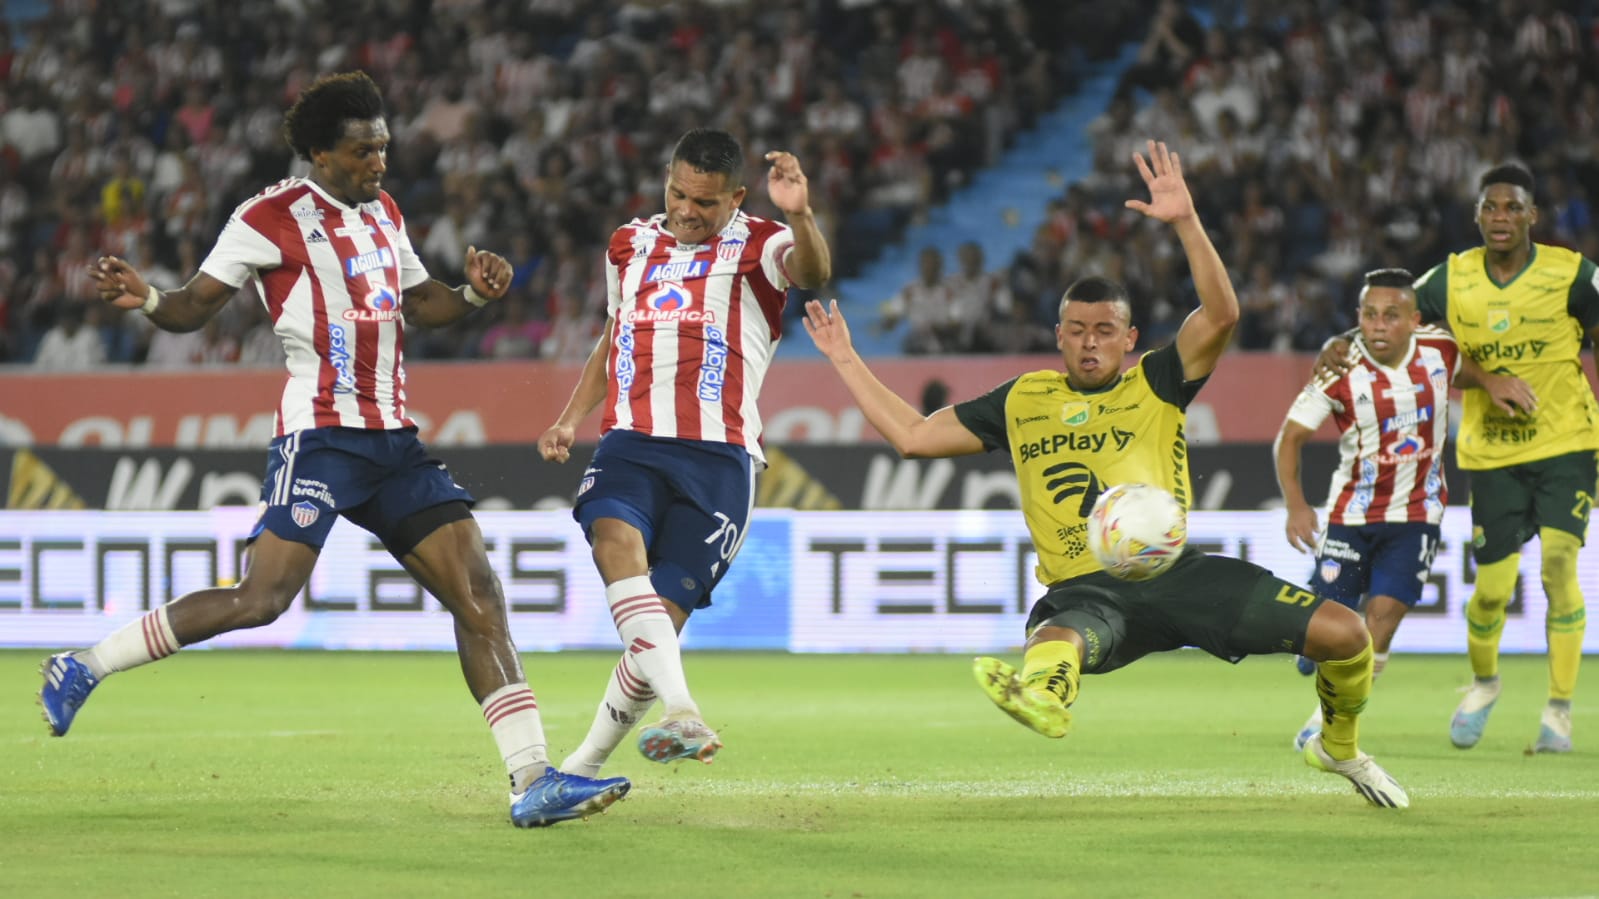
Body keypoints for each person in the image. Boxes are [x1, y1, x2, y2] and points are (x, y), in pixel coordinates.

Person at [38, 72, 630, 828]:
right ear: (319, 152)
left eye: (382, 146)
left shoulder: (384, 212)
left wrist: (476, 293)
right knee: (263, 599)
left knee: (478, 594)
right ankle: (83, 664)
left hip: (393, 442)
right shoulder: (267, 215)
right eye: (361, 151)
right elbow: (193, 305)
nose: (378, 162)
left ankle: (531, 779)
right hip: (318, 439)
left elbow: (425, 304)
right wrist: (148, 298)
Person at [804, 141, 1408, 809]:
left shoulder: (1158, 380)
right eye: (1076, 329)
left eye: (1104, 330)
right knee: (1057, 637)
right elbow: (914, 437)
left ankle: (1339, 744)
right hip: (1088, 589)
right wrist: (844, 357)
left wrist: (1183, 222)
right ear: (1057, 334)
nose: (1089, 341)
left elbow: (1222, 316)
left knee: (1345, 634)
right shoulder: (1020, 399)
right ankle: (1044, 694)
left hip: (1180, 575)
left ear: (1128, 337)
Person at [537, 128, 831, 775]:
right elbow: (613, 338)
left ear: (735, 197)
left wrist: (801, 214)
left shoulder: (760, 243)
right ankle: (682, 709)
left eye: (705, 201)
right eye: (678, 193)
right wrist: (568, 419)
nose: (687, 210)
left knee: (660, 620)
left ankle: (579, 768)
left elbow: (811, 271)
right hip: (631, 442)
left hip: (719, 460)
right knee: (613, 541)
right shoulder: (628, 244)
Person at [1316, 164, 1592, 753]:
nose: (1500, 217)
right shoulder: (1452, 278)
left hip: (1567, 441)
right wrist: (1338, 341)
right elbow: (1389, 318)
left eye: (1512, 207)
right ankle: (1486, 684)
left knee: (1558, 566)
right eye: (1490, 207)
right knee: (1492, 590)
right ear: (1477, 216)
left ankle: (1559, 711)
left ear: (1532, 216)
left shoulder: (1572, 276)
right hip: (1489, 452)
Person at [1274, 268, 1534, 750]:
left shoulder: (1439, 349)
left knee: (1380, 623)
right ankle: (1313, 649)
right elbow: (1290, 438)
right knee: (1323, 629)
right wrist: (1295, 505)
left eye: (1391, 316)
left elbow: (1465, 371)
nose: (1378, 326)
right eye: (1369, 315)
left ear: (1413, 320)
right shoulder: (1339, 366)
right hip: (1350, 516)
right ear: (1358, 319)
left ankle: (1325, 719)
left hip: (1417, 516)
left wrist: (1491, 382)